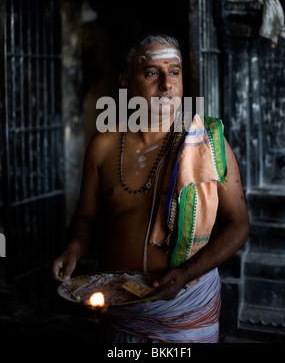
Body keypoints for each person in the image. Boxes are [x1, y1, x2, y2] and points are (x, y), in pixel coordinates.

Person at [52, 33, 249, 343]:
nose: (166, 84)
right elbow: (86, 217)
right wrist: (74, 248)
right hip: (120, 306)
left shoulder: (208, 143)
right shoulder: (102, 147)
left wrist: (186, 273)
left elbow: (238, 225)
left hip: (186, 305)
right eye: (152, 72)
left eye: (174, 72)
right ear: (125, 81)